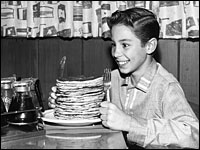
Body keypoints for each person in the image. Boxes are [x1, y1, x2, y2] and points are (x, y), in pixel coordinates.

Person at [48, 7, 199, 149]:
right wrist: (65, 102)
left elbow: (193, 134)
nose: (116, 53)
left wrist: (129, 123)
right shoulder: (112, 79)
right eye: (114, 45)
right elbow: (89, 107)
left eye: (125, 45)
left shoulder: (166, 86)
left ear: (150, 46)